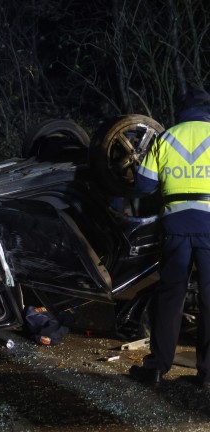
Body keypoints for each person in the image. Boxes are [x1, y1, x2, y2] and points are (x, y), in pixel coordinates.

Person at [130, 87, 210, 387]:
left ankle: (156, 368)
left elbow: (144, 184)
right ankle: (207, 375)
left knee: (170, 296)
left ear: (182, 110)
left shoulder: (166, 137)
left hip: (175, 225)